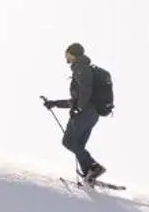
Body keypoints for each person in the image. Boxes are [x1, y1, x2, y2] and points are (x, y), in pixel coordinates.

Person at [42, 43, 110, 183]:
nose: (65, 56)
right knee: (77, 144)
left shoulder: (80, 68)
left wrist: (79, 108)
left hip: (85, 112)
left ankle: (94, 167)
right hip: (93, 113)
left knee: (69, 141)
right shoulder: (84, 68)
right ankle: (89, 174)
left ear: (72, 54)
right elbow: (77, 99)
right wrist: (55, 103)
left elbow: (85, 91)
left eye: (67, 53)